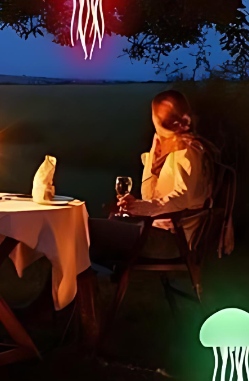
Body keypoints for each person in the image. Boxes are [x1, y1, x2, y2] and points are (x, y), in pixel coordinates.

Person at [89, 89, 215, 269]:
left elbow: (182, 197)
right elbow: (149, 194)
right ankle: (91, 276)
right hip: (154, 232)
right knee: (100, 225)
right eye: (160, 116)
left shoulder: (187, 150)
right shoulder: (167, 148)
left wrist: (145, 207)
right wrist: (153, 164)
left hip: (169, 241)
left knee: (86, 229)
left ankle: (86, 279)